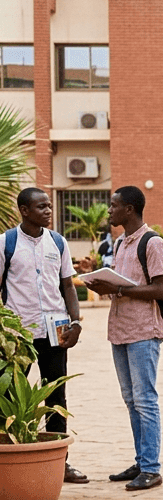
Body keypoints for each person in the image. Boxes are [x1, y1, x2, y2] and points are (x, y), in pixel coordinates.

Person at [82, 186, 163, 492]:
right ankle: (141, 460)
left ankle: (151, 468)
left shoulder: (153, 242)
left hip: (143, 331)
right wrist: (96, 277)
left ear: (129, 209)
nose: (109, 211)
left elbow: (161, 290)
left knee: (145, 400)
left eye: (114, 205)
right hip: (119, 331)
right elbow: (123, 282)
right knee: (131, 399)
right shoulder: (120, 242)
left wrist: (117, 290)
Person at [3, 188, 86, 483]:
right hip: (19, 335)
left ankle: (60, 464)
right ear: (24, 210)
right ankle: (12, 460)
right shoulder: (6, 244)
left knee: (56, 395)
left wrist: (75, 323)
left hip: (56, 330)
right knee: (12, 398)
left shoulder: (57, 242)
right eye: (42, 207)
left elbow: (68, 287)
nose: (49, 211)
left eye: (49, 206)